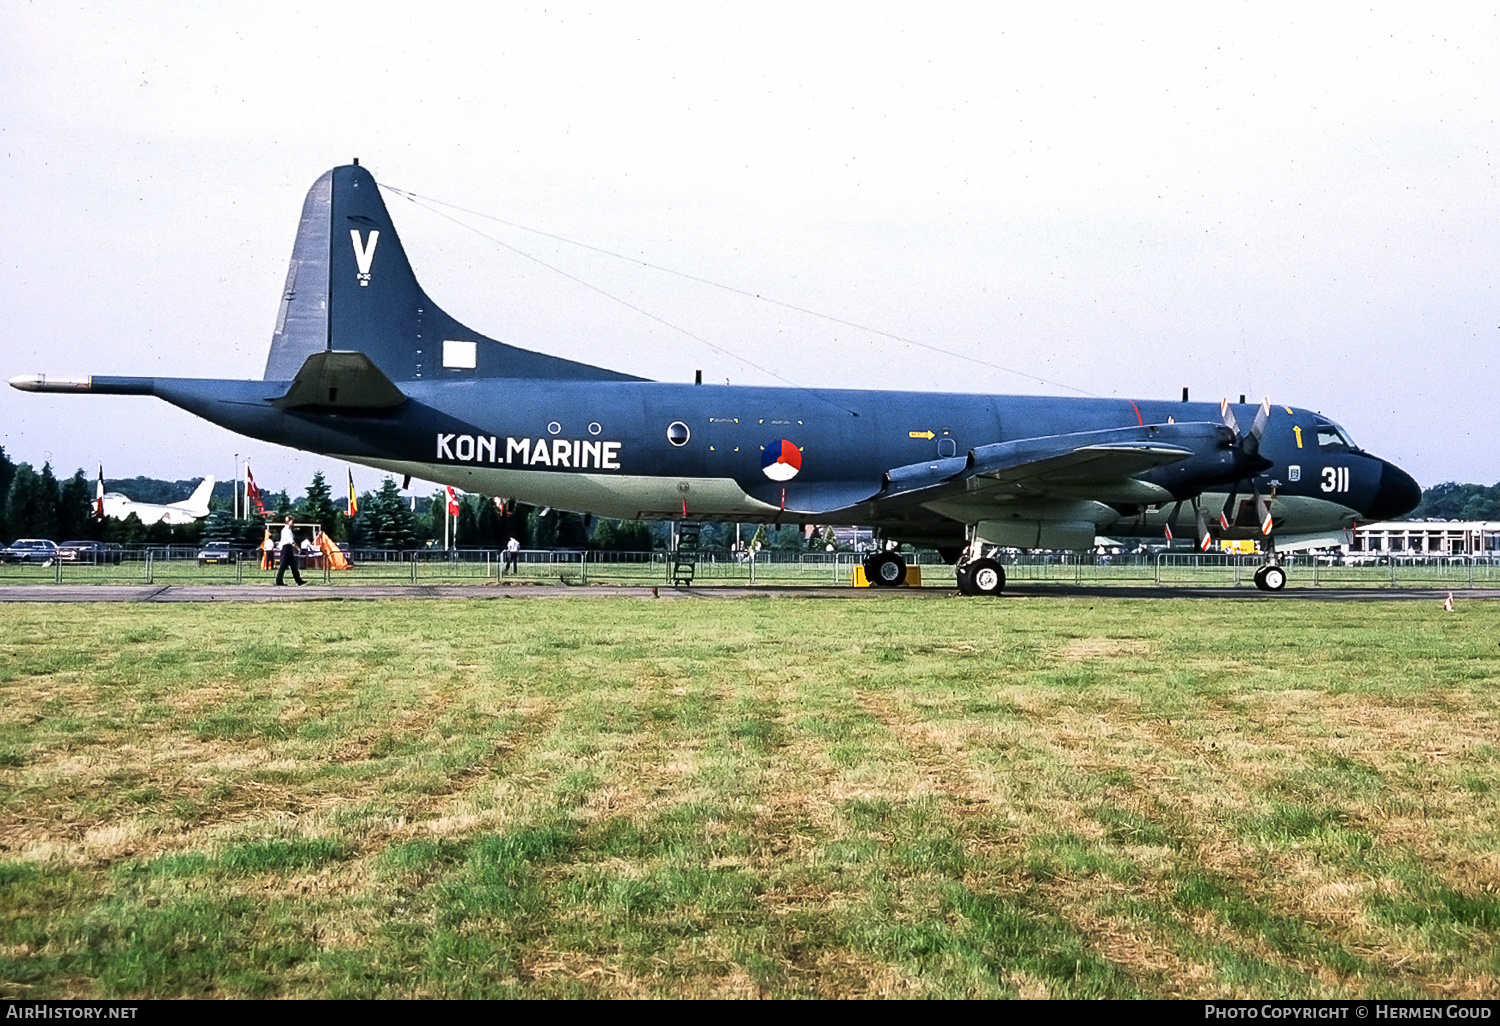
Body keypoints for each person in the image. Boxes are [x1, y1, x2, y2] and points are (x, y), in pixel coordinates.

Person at [275, 515, 305, 586]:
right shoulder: (287, 530)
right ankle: (279, 581)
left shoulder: (286, 530)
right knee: (283, 566)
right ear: (288, 521)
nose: (293, 522)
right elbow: (291, 541)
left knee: (293, 565)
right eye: (292, 521)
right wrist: (298, 548)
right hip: (286, 548)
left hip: (288, 548)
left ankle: (299, 580)